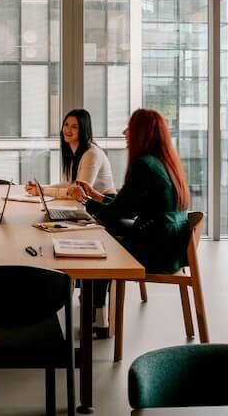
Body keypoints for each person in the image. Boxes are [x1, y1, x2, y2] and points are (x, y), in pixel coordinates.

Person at [75, 108, 191, 338]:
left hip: (157, 251)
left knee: (99, 249)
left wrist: (85, 201)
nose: (124, 132)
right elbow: (129, 207)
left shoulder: (144, 165)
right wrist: (97, 196)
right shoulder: (162, 162)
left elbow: (116, 213)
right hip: (170, 245)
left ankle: (98, 316)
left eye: (130, 128)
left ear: (142, 132)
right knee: (105, 231)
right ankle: (96, 308)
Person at [25, 109, 115, 199]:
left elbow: (79, 192)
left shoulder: (91, 154)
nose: (68, 130)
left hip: (105, 203)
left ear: (83, 130)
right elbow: (68, 184)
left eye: (74, 127)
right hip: (89, 202)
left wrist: (42, 191)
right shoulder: (74, 151)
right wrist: (41, 188)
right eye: (66, 124)